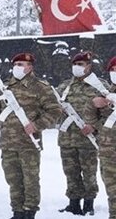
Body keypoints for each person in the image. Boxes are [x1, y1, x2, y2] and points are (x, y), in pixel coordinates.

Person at [0, 53, 61, 219]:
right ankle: (17, 211)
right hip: (8, 142)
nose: (17, 67)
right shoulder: (6, 86)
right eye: (15, 64)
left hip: (28, 143)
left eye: (21, 64)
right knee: (13, 180)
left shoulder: (40, 87)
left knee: (30, 180)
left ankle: (29, 211)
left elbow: (55, 111)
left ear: (30, 67)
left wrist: (37, 125)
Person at [55, 52, 102, 216]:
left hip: (88, 140)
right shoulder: (64, 87)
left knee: (89, 174)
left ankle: (89, 205)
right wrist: (57, 110)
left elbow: (109, 113)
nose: (78, 67)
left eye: (81, 64)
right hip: (67, 139)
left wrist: (93, 126)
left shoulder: (100, 86)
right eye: (76, 64)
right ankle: (73, 204)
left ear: (89, 66)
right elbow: (53, 109)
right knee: (70, 173)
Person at [93, 56, 116, 219]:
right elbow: (92, 120)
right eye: (112, 70)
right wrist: (94, 104)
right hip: (108, 151)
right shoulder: (106, 93)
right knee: (112, 191)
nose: (114, 73)